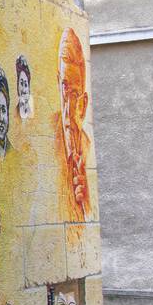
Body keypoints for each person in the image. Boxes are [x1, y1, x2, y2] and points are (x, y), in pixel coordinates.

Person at [57, 29, 91, 221]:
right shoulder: (47, 143)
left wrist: (86, 203)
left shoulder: (87, 149)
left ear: (83, 104)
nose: (68, 105)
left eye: (74, 94)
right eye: (64, 88)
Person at [15, 55, 33, 120]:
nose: (24, 90)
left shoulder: (31, 111)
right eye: (21, 84)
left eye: (25, 85)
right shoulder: (16, 113)